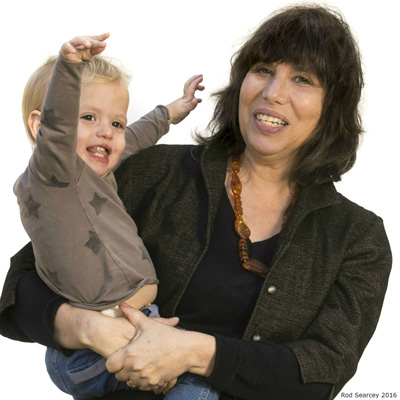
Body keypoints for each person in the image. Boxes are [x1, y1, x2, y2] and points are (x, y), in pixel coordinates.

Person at [0, 4, 392, 400]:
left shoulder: (358, 238)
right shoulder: (152, 172)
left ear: (333, 108)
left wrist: (194, 352)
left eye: (303, 79)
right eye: (263, 71)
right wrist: (87, 328)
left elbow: (324, 372)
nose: (274, 93)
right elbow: (22, 285)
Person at [13, 33, 218, 400]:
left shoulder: (95, 170)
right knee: (197, 391)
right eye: (89, 117)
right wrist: (70, 67)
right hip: (94, 343)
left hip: (131, 320)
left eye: (116, 123)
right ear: (40, 127)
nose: (107, 131)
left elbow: (135, 138)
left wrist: (170, 112)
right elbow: (58, 127)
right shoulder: (54, 173)